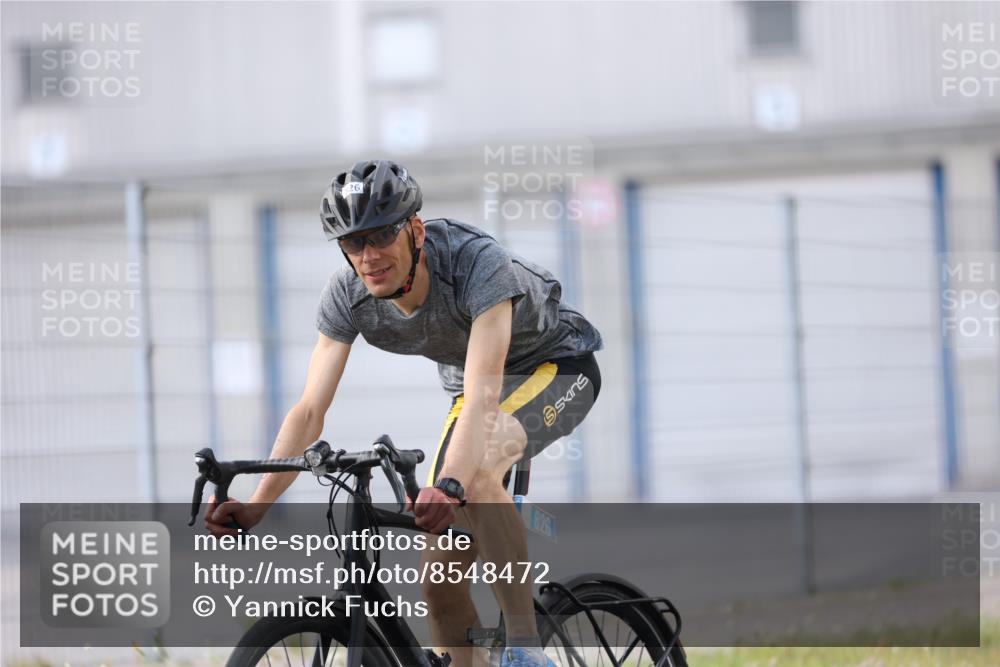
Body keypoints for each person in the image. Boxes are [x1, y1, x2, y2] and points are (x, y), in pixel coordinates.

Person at [205, 159, 603, 667]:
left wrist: (452, 484)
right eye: (352, 243)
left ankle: (526, 650)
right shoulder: (348, 296)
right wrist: (258, 504)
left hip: (553, 368)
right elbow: (308, 411)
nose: (367, 256)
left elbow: (484, 398)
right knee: (438, 580)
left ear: (414, 230)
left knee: (476, 475)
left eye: (379, 236)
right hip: (474, 387)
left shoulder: (474, 262)